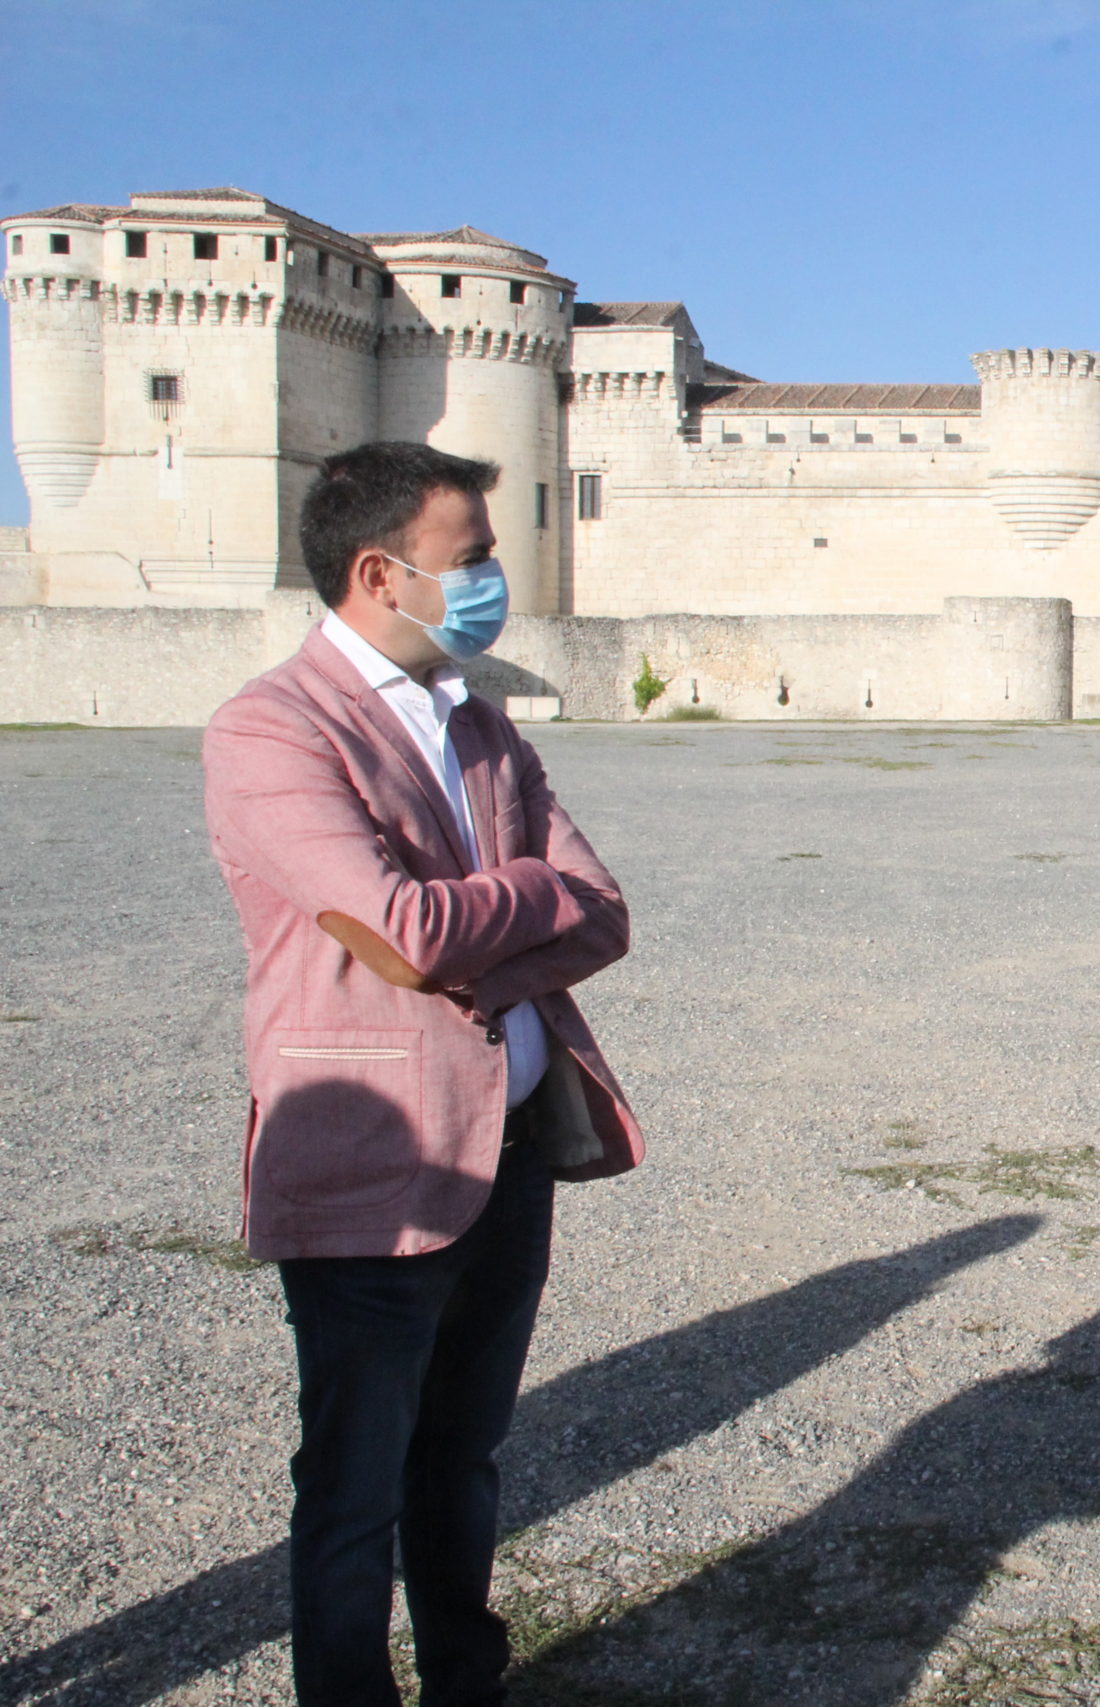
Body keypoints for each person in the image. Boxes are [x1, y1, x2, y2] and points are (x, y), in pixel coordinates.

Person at [202, 442, 644, 1706]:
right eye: (475, 557)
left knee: (462, 1458)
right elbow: (399, 936)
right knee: (352, 1482)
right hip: (370, 1164)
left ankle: (468, 1677)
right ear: (378, 571)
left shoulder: (484, 725)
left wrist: (480, 932)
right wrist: (525, 900)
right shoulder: (268, 729)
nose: (496, 577)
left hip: (505, 1152)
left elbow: (603, 914)